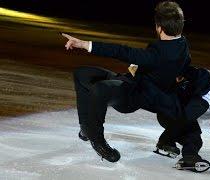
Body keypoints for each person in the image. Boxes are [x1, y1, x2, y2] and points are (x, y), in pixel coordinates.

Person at [62, 1, 190, 162]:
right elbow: (176, 67)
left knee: (100, 89)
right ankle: (86, 128)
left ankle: (98, 141)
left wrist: (84, 44)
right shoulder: (182, 44)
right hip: (130, 79)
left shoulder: (160, 53)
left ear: (159, 27)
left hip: (132, 95)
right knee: (82, 74)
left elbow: (122, 51)